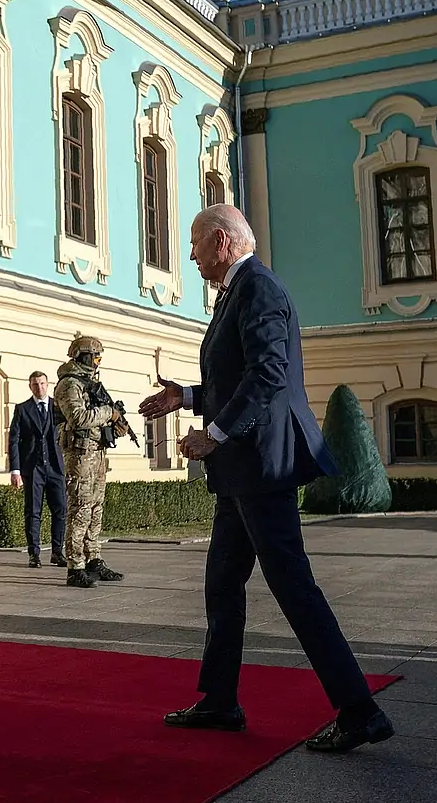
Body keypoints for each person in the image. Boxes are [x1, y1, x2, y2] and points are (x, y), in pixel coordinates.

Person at [139, 203, 394, 753]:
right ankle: (219, 702)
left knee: (293, 588)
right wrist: (186, 398)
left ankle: (359, 710)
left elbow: (269, 376)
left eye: (195, 243)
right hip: (241, 471)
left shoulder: (257, 288)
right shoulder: (239, 290)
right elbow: (240, 378)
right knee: (223, 583)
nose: (190, 255)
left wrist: (215, 433)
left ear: (223, 242)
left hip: (259, 465)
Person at [54, 335, 127, 588]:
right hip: (80, 455)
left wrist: (115, 424)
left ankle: (93, 558)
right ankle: (75, 566)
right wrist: (109, 413)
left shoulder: (90, 383)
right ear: (83, 356)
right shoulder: (69, 384)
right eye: (95, 357)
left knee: (96, 508)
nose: (97, 362)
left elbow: (100, 414)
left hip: (97, 452)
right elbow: (78, 418)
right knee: (81, 509)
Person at [8, 371, 67, 569]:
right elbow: (14, 440)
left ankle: (57, 552)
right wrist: (15, 470)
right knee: (33, 512)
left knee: (60, 509)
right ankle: (34, 554)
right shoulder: (22, 409)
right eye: (35, 384)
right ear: (30, 386)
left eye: (42, 383)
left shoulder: (58, 407)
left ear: (47, 384)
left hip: (56, 466)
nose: (39, 388)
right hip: (33, 468)